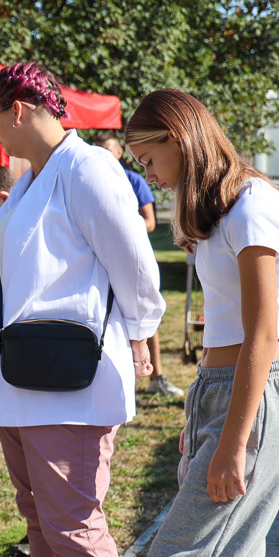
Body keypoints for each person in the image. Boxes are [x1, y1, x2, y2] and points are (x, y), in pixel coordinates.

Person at [71, 89, 279, 557]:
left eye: (147, 157)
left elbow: (263, 334)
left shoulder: (254, 207)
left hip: (256, 398)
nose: (148, 172)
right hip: (220, 394)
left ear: (177, 138)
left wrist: (230, 441)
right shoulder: (225, 210)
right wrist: (200, 421)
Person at [0, 62, 165, 557]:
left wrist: (136, 336)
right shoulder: (34, 179)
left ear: (19, 109)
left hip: (67, 385)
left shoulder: (88, 169)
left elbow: (137, 268)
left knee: (76, 528)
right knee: (43, 523)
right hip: (22, 384)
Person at [95, 130, 185, 398]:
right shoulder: (94, 181)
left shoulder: (134, 180)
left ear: (120, 153)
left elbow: (150, 222)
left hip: (131, 258)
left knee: (143, 317)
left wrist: (123, 230)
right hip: (103, 262)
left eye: (109, 151)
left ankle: (155, 374)